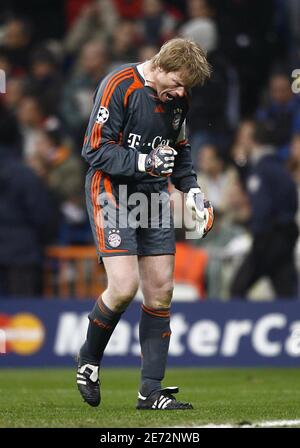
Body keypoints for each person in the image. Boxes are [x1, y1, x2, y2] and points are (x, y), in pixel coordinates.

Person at [77, 38, 214, 410]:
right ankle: (88, 361)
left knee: (161, 291)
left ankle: (149, 391)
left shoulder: (177, 100)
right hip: (112, 190)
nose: (182, 92)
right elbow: (94, 149)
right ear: (160, 66)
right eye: (178, 82)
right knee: (123, 287)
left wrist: (194, 194)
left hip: (152, 194)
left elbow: (180, 152)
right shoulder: (119, 85)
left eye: (187, 87)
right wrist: (143, 164)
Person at [230, 121, 299, 300]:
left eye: (243, 136)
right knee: (286, 293)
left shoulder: (263, 169)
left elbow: (262, 209)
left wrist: (254, 227)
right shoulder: (276, 167)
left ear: (253, 139)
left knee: (238, 288)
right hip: (284, 236)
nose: (239, 140)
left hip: (268, 240)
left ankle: (239, 324)